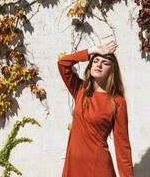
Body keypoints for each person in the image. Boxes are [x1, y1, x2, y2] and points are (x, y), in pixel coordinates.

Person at [57, 41, 134, 177]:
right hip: (73, 166)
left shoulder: (117, 102)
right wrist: (91, 51)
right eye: (95, 61)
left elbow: (122, 146)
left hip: (98, 168)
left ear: (112, 70)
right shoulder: (80, 90)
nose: (98, 65)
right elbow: (63, 64)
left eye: (105, 63)